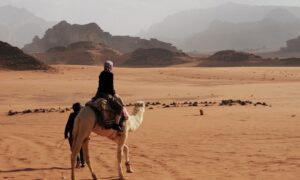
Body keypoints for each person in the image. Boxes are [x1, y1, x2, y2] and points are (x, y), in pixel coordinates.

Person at [92, 60, 127, 131]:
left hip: (98, 94)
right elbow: (111, 88)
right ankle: (116, 124)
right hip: (105, 95)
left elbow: (100, 86)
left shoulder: (101, 73)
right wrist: (114, 94)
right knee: (119, 108)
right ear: (111, 67)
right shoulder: (110, 74)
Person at [64, 102, 85, 168]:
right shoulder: (83, 115)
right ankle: (83, 162)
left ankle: (78, 160)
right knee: (81, 148)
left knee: (73, 149)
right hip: (81, 135)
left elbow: (68, 125)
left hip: (72, 135)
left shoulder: (72, 115)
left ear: (73, 109)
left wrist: (65, 133)